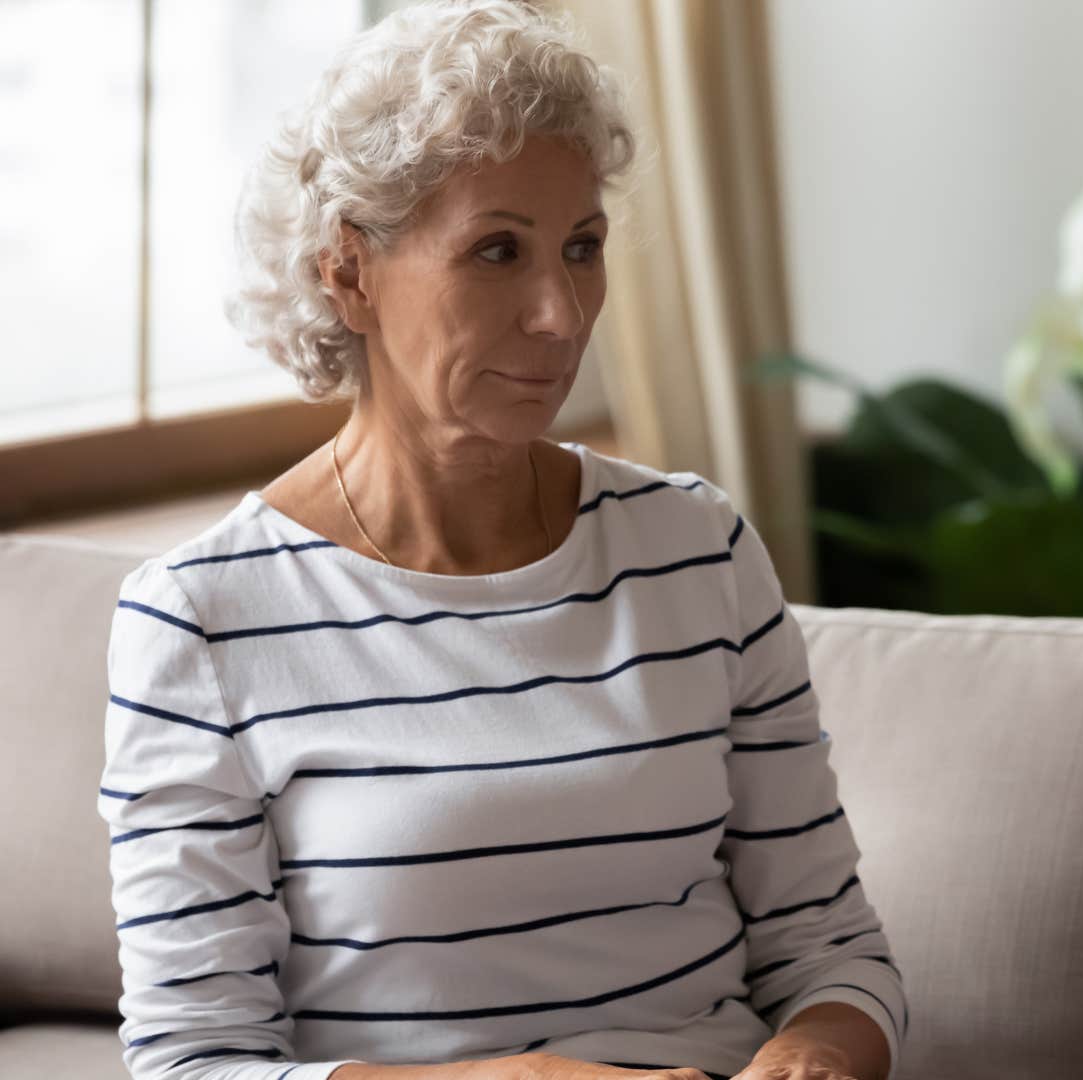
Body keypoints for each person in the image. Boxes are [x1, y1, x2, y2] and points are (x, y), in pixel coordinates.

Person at [97, 3, 900, 1078]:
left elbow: (830, 949)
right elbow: (192, 1063)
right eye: (496, 250)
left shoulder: (695, 547)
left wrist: (817, 1053)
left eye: (581, 247)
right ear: (348, 272)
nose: (562, 315)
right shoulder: (201, 620)